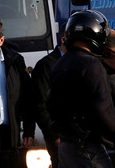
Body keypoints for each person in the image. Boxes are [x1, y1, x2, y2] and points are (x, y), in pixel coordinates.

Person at [47, 10, 115, 167]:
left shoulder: (60, 64)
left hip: (66, 147)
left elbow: (51, 105)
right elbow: (104, 110)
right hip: (88, 150)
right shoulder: (91, 64)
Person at [0, 13, 34, 168]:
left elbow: (27, 98)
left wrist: (29, 130)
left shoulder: (15, 62)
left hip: (10, 137)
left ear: (1, 40)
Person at [30, 23, 67, 168]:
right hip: (59, 139)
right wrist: (54, 136)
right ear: (64, 39)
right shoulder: (46, 65)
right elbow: (40, 104)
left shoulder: (82, 62)